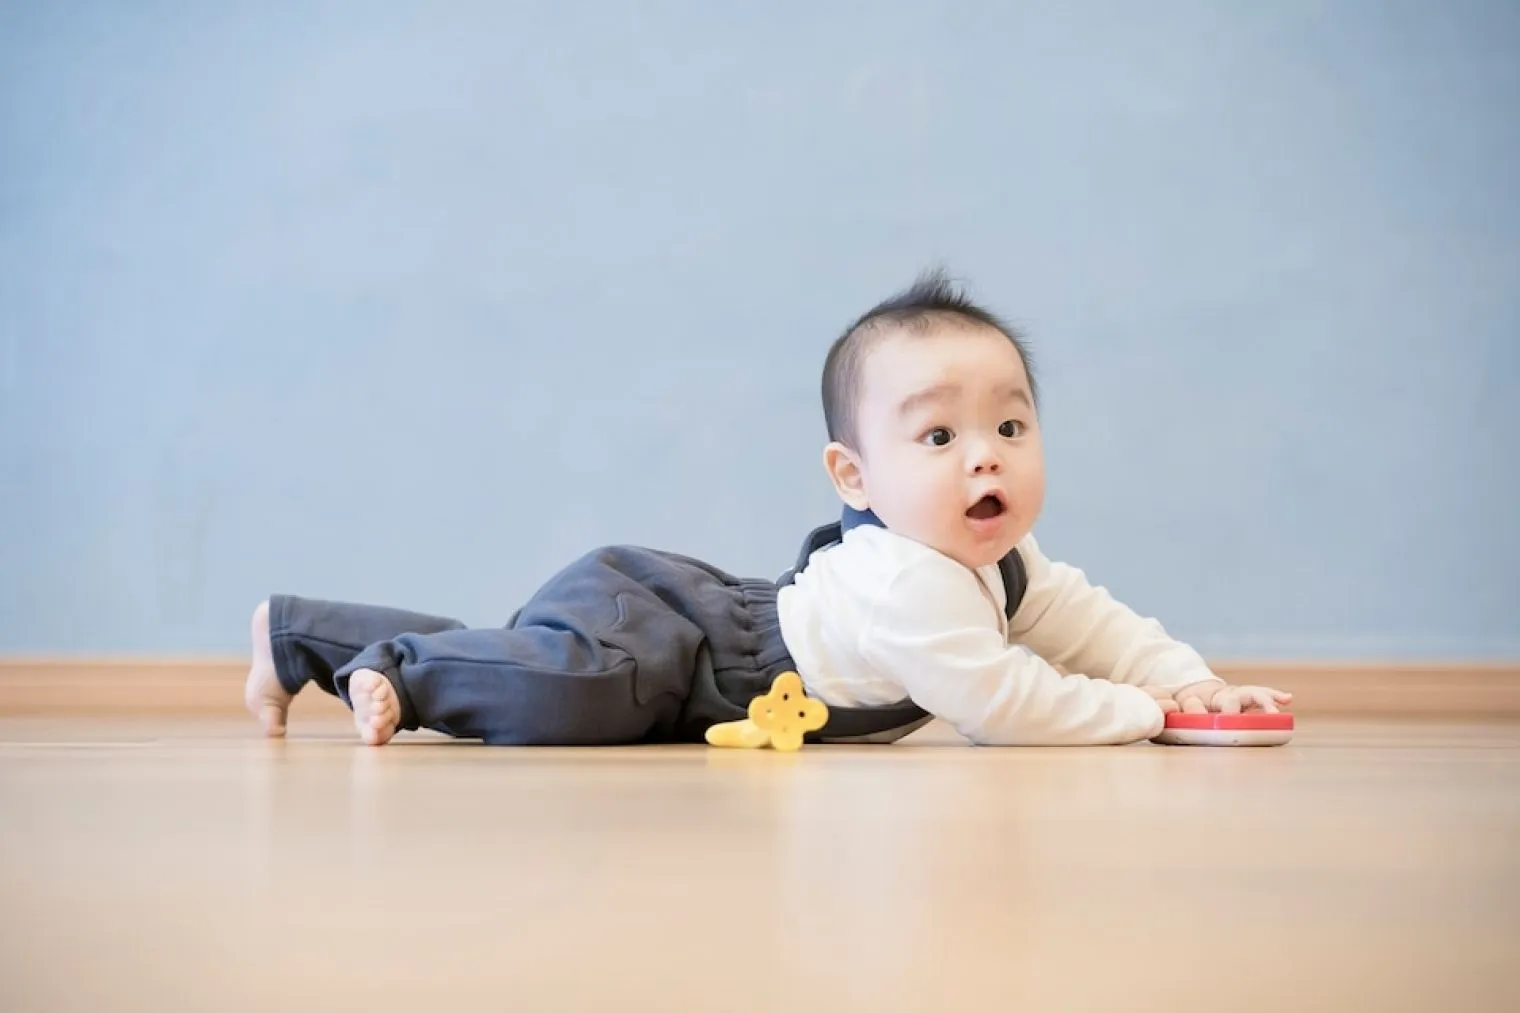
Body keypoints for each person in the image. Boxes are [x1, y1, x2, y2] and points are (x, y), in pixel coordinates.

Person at [244, 271, 1291, 747]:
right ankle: (401, 672)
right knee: (561, 700)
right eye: (938, 436)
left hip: (699, 630)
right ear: (853, 477)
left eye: (1010, 426)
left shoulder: (1002, 562)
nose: (985, 454)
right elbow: (1000, 703)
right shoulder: (909, 580)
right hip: (677, 643)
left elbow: (1089, 622)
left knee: (520, 660)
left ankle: (302, 633)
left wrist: (1188, 679)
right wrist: (1146, 715)